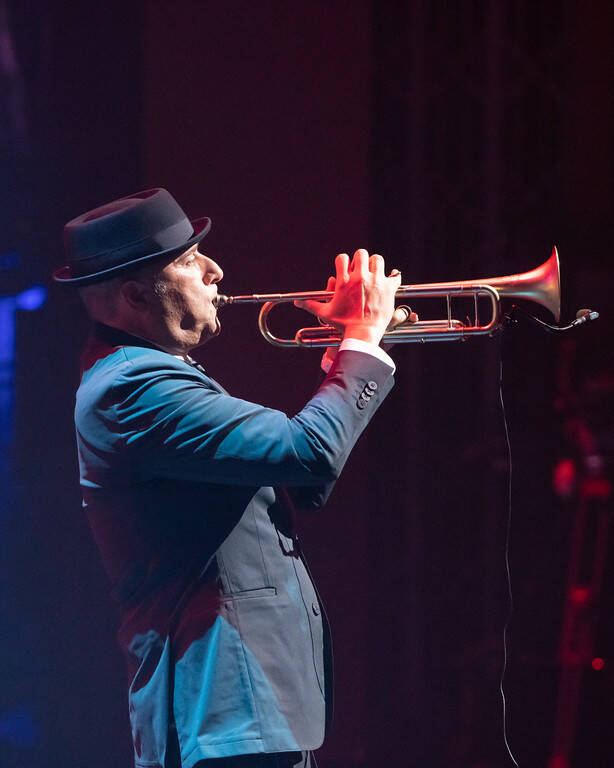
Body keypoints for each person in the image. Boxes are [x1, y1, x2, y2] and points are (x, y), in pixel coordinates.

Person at [54, 188, 401, 768]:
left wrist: (343, 362)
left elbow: (301, 483)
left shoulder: (153, 377)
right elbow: (311, 453)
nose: (215, 270)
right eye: (190, 260)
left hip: (249, 706)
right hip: (223, 706)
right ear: (138, 294)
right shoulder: (132, 389)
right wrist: (362, 341)